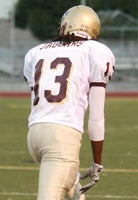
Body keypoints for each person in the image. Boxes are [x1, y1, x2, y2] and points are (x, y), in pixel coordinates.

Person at [23, 5, 115, 200]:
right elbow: (96, 119)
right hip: (61, 140)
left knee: (74, 195)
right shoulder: (95, 51)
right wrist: (97, 162)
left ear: (64, 26)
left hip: (34, 136)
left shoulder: (37, 51)